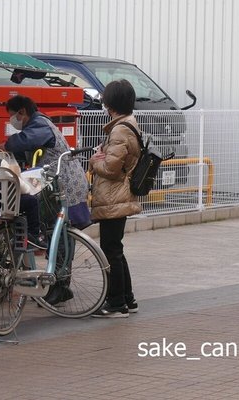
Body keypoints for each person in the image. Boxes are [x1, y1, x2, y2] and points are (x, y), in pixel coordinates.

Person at [3, 94, 90, 304]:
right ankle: (58, 285)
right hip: (61, 183)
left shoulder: (39, 124)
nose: (12, 121)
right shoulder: (39, 123)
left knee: (59, 235)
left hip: (65, 184)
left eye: (13, 117)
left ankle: (58, 286)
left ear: (22, 111)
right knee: (58, 234)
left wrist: (5, 142)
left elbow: (23, 141)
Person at [88, 79, 141, 317]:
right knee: (115, 249)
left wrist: (94, 160)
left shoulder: (120, 129)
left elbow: (110, 168)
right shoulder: (129, 124)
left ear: (111, 104)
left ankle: (116, 302)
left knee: (110, 250)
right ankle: (127, 298)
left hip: (113, 197)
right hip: (118, 196)